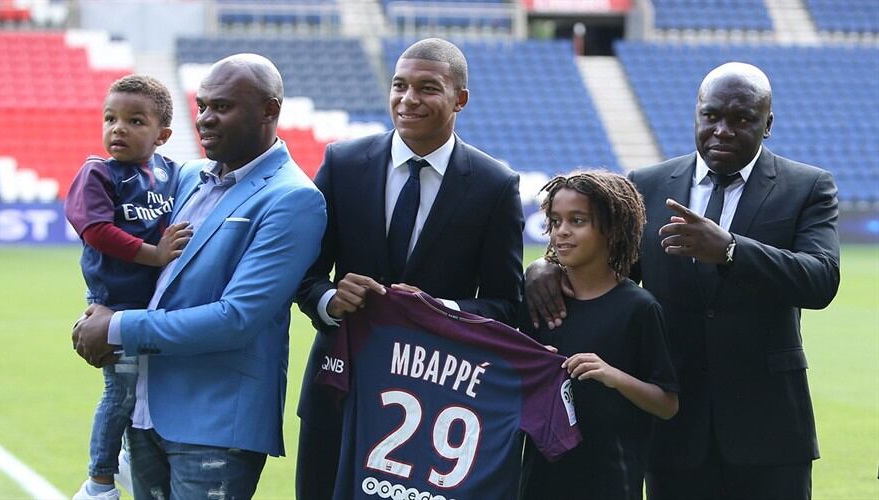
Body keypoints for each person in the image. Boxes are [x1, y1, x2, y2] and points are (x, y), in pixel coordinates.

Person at [525, 62, 841, 499]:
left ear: (767, 124)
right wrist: (545, 267)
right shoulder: (648, 185)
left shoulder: (807, 186)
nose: (723, 130)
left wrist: (730, 250)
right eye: (711, 116)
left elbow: (821, 279)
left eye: (742, 119)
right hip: (672, 429)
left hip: (769, 428)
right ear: (695, 114)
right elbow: (609, 271)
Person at [71, 53, 327, 498]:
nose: (205, 119)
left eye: (222, 107)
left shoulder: (293, 199)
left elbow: (237, 318)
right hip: (147, 411)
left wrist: (115, 327)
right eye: (202, 105)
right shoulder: (187, 177)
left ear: (270, 110)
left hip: (215, 424)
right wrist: (101, 302)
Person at [294, 38, 524, 500]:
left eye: (427, 87)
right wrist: (329, 299)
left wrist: (439, 310)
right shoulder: (343, 164)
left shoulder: (495, 185)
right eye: (399, 85)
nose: (408, 98)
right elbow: (304, 274)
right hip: (340, 386)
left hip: (432, 403)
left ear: (460, 98)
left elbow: (506, 304)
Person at [64, 75, 191, 500]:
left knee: (145, 393)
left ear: (163, 135)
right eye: (111, 118)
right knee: (119, 393)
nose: (118, 128)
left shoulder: (172, 174)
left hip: (154, 309)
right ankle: (99, 482)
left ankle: (123, 457)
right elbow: (97, 231)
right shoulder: (97, 173)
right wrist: (155, 255)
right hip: (113, 307)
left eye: (136, 121)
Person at [519, 171, 678, 500]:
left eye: (577, 221)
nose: (561, 231)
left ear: (613, 228)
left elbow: (667, 403)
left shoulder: (639, 308)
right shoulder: (537, 302)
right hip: (538, 481)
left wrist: (613, 376)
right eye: (554, 220)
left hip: (610, 482)